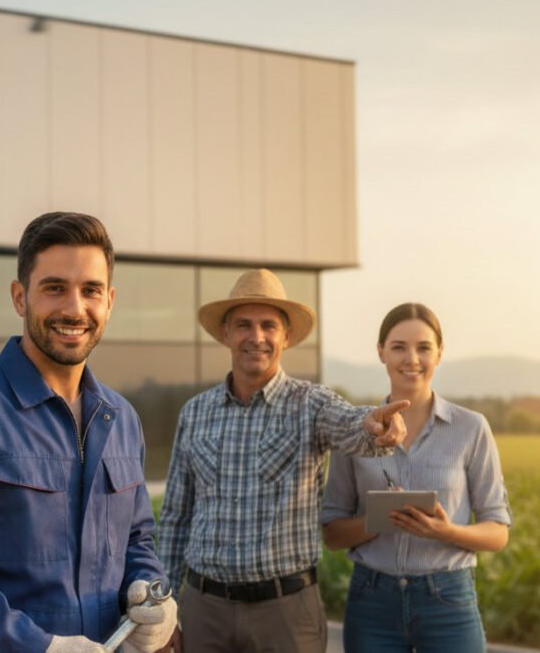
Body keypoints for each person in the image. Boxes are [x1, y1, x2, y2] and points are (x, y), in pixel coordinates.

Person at [0, 212, 177, 652]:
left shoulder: (122, 419)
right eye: (54, 288)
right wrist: (39, 646)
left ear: (110, 301)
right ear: (20, 297)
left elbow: (136, 538)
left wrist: (151, 590)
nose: (74, 309)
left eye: (90, 290)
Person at [155, 268, 409, 653]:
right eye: (243, 325)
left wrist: (376, 425)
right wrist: (164, 610)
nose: (256, 337)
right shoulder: (195, 412)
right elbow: (175, 517)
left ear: (286, 337)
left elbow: (352, 424)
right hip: (204, 611)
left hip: (286, 614)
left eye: (268, 326)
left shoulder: (311, 403)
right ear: (225, 334)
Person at [321, 302, 512, 653]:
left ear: (439, 354)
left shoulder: (471, 429)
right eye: (398, 347)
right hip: (372, 602)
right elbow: (332, 533)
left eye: (424, 347)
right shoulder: (355, 431)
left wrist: (446, 531)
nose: (412, 359)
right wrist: (379, 521)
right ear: (381, 353)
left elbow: (498, 532)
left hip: (448, 601)